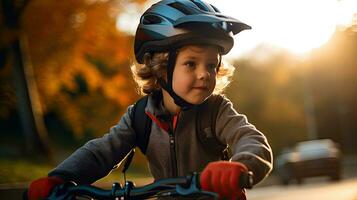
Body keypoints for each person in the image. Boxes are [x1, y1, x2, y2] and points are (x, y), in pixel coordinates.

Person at [27, 0, 273, 199]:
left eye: (211, 65)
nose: (204, 74)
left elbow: (250, 139)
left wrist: (241, 166)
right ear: (160, 67)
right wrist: (58, 178)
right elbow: (101, 152)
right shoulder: (140, 117)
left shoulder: (216, 111)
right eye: (191, 63)